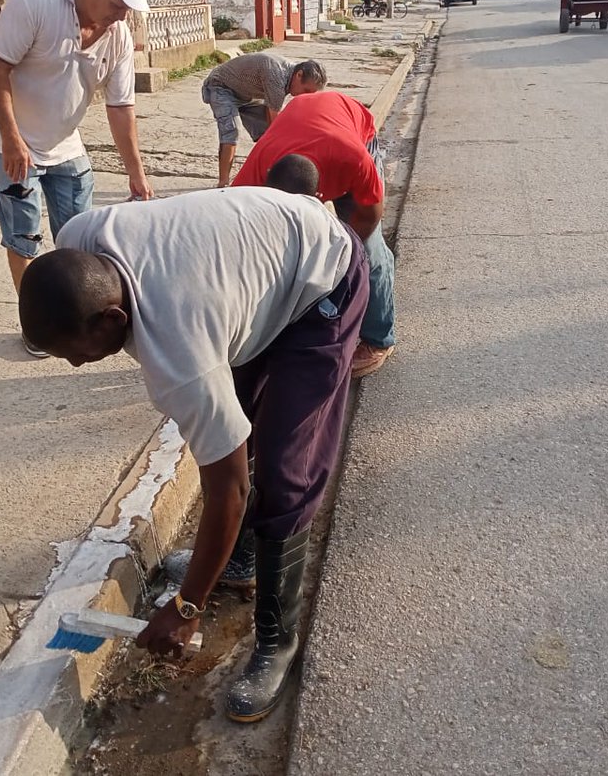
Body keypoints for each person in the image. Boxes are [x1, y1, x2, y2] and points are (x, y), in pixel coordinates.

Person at [18, 189, 369, 723]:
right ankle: (242, 559)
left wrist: (188, 606)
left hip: (325, 279)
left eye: (77, 352)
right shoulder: (79, 238)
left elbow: (229, 489)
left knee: (285, 470)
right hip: (260, 265)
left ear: (112, 318)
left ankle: (277, 641)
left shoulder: (181, 356)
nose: (75, 366)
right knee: (238, 423)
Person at [0, 0, 153, 357]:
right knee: (24, 238)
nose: (121, 15)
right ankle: (37, 327)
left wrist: (136, 172)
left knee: (80, 237)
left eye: (128, 8)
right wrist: (11, 139)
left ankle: (78, 317)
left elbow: (120, 107)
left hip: (65, 144)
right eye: (116, 4)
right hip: (13, 142)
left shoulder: (118, 35)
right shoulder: (37, 2)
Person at [232, 91, 396, 378]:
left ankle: (379, 339)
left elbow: (370, 214)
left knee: (369, 252)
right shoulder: (255, 174)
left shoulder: (353, 160)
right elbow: (239, 235)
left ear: (317, 197)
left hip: (351, 126)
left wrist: (349, 260)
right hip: (306, 125)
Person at [201, 54, 327, 188]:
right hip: (221, 87)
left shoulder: (291, 74)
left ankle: (269, 175)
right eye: (306, 90)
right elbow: (275, 125)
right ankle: (223, 183)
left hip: (247, 94)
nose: (305, 96)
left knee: (267, 133)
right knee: (231, 131)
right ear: (299, 75)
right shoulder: (277, 76)